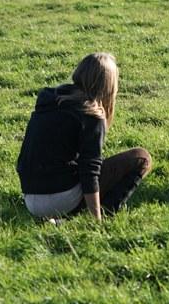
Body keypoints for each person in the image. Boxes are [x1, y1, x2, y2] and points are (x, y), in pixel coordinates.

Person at [16, 52, 151, 221]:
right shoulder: (91, 114)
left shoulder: (50, 100)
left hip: (30, 199)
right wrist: (96, 220)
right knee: (141, 158)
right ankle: (106, 214)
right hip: (61, 200)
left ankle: (56, 218)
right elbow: (89, 171)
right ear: (109, 86)